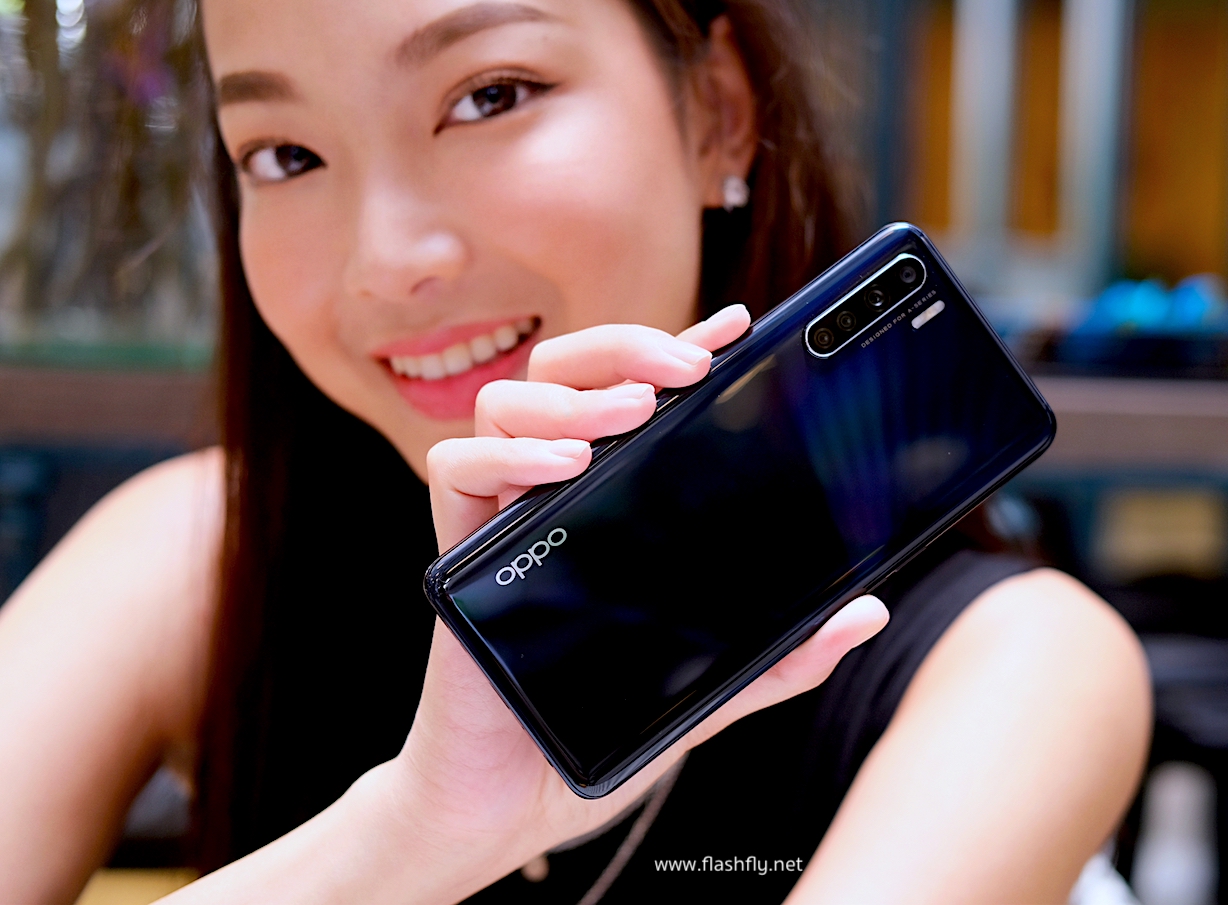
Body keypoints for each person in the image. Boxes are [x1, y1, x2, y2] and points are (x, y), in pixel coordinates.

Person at [0, 0, 1153, 901]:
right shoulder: (190, 551)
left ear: (720, 113)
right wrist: (410, 834)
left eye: (489, 95)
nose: (385, 259)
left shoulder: (1015, 669)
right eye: (284, 155)